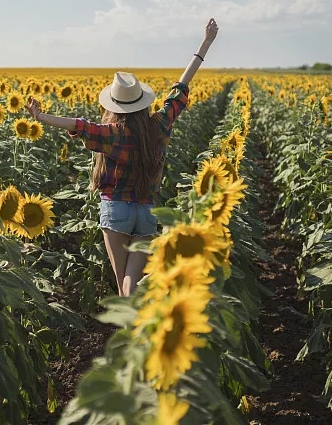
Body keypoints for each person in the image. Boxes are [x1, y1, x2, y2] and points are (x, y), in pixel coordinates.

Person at [24, 18, 219, 297]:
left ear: (115, 106)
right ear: (142, 102)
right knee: (134, 282)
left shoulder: (112, 133)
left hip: (116, 209)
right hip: (147, 210)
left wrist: (41, 116)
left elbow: (79, 125)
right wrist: (206, 42)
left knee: (123, 285)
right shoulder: (159, 125)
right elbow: (180, 89)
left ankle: (134, 317)